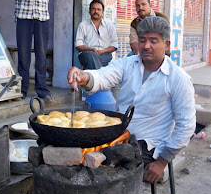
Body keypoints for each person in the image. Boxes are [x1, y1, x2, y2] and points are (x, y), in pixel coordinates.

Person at [68, 16, 196, 183]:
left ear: (166, 45)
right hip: (119, 137)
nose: (146, 45)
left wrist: (162, 162)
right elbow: (104, 75)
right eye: (142, 40)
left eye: (153, 41)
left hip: (149, 147)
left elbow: (186, 126)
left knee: (106, 175)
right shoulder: (128, 64)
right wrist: (83, 76)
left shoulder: (178, 78)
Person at [14, 0, 54, 102]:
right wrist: (17, 18)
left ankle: (41, 90)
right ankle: (22, 89)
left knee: (41, 55)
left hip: (42, 19)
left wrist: (42, 15)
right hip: (24, 18)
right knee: (23, 55)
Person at [75, 0, 118, 69]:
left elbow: (114, 45)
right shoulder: (83, 25)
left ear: (102, 12)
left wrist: (104, 51)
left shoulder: (110, 26)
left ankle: (93, 77)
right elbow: (78, 45)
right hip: (86, 54)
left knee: (93, 62)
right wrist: (91, 50)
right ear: (89, 11)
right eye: (93, 9)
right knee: (91, 56)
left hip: (104, 55)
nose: (96, 11)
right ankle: (101, 77)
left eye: (98, 9)